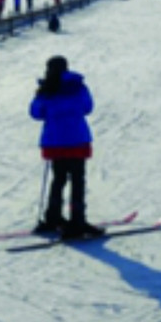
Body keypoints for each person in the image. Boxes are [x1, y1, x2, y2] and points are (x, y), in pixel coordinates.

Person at [29, 56, 103, 239]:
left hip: (55, 141)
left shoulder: (47, 88)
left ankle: (53, 217)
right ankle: (77, 221)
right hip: (77, 139)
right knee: (77, 180)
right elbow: (87, 107)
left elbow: (35, 112)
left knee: (58, 178)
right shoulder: (78, 86)